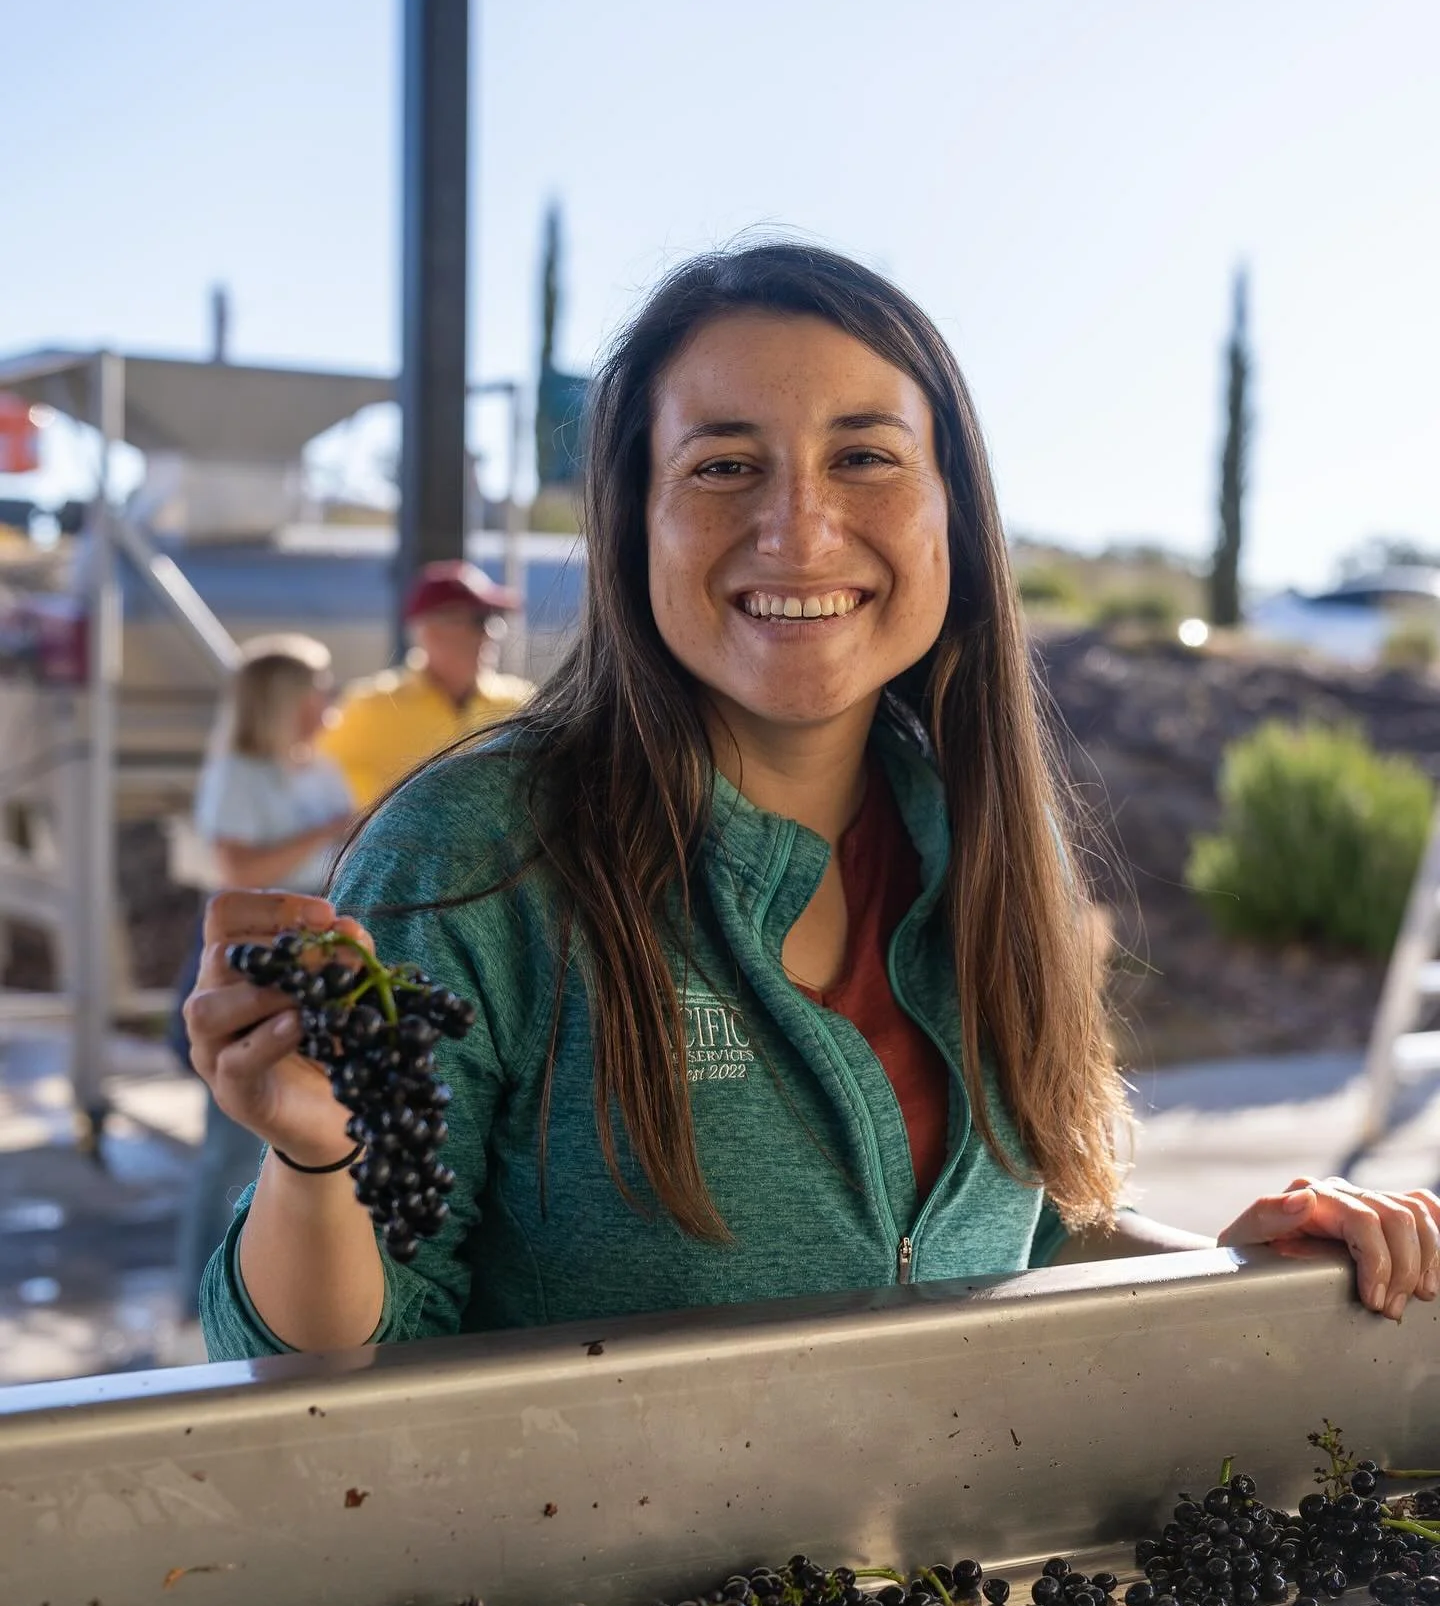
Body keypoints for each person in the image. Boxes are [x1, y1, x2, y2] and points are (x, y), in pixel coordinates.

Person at [186, 243, 1440, 1362]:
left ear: (953, 518)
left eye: (865, 459)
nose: (799, 528)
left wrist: (1234, 1273)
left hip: (923, 1604)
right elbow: (332, 1370)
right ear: (635, 525)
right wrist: (315, 1165)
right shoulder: (470, 856)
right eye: (724, 464)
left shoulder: (990, 829)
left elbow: (1006, 1241)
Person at [173, 635, 355, 1311]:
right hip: (252, 970)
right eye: (317, 686)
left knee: (300, 1140)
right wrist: (327, 829)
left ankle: (274, 1301)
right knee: (227, 1144)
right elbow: (240, 873)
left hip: (320, 974)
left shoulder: (321, 768)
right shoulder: (240, 774)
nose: (328, 699)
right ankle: (197, 1307)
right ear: (285, 698)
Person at [316, 560, 532, 809]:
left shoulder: (522, 705)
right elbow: (316, 792)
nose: (490, 633)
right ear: (428, 630)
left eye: (493, 620)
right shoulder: (369, 707)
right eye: (477, 620)